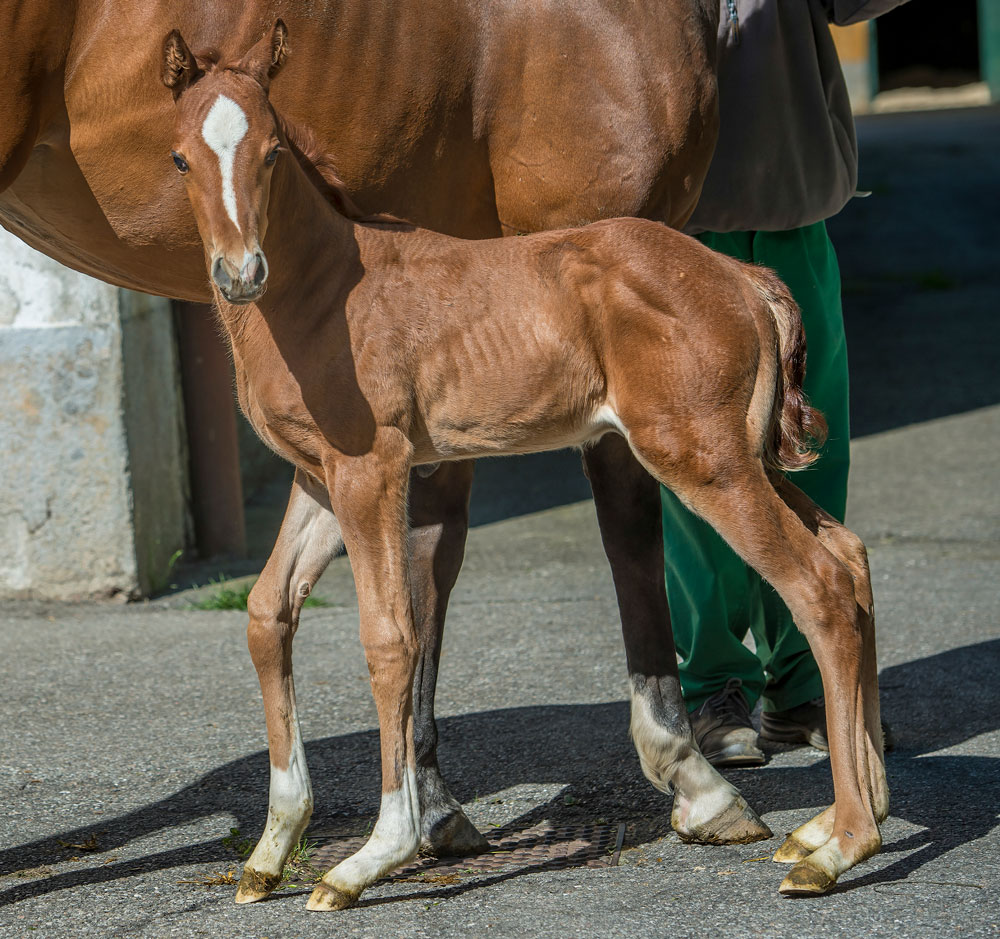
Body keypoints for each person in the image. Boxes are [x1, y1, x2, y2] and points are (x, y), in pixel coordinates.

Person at [664, 0, 905, 766]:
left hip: (794, 197)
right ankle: (710, 684)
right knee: (699, 459)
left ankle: (800, 682)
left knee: (813, 441)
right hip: (685, 218)